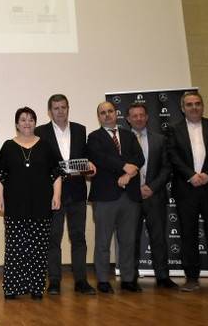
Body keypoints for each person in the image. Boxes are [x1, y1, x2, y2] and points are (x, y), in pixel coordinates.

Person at [167, 91, 208, 294]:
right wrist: (191, 175)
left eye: (197, 103)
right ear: (182, 108)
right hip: (186, 189)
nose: (194, 107)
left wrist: (207, 175)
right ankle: (192, 278)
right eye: (189, 104)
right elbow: (172, 155)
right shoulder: (174, 129)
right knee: (188, 235)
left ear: (202, 106)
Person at [0, 107, 62, 300]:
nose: (27, 123)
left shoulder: (46, 145)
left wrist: (56, 196)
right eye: (23, 120)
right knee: (15, 247)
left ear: (35, 123)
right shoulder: (8, 146)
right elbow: (0, 176)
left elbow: (56, 174)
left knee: (38, 248)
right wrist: (0, 199)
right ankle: (12, 287)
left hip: (41, 205)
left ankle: (36, 287)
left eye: (31, 119)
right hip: (15, 205)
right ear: (17, 124)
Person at [35, 94, 96, 295]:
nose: (60, 111)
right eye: (56, 108)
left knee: (78, 237)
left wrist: (89, 166)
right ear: (49, 111)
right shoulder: (40, 132)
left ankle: (81, 281)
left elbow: (85, 157)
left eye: (63, 107)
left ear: (68, 108)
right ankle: (54, 281)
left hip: (77, 192)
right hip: (52, 194)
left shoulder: (80, 129)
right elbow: (39, 162)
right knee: (53, 238)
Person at [87, 101, 144, 294]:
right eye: (103, 113)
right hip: (105, 197)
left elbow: (139, 158)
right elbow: (100, 158)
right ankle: (103, 280)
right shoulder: (93, 137)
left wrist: (128, 175)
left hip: (130, 195)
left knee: (128, 240)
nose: (107, 115)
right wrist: (123, 167)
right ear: (99, 117)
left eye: (110, 111)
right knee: (103, 241)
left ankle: (128, 279)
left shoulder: (129, 135)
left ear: (116, 113)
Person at [126, 102, 178, 289]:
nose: (138, 118)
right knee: (131, 238)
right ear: (128, 119)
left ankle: (163, 276)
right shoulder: (123, 140)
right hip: (131, 198)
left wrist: (151, 187)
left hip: (154, 195)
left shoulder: (160, 139)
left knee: (159, 238)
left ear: (147, 117)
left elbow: (167, 168)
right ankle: (130, 277)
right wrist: (136, 189)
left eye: (142, 115)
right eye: (134, 115)